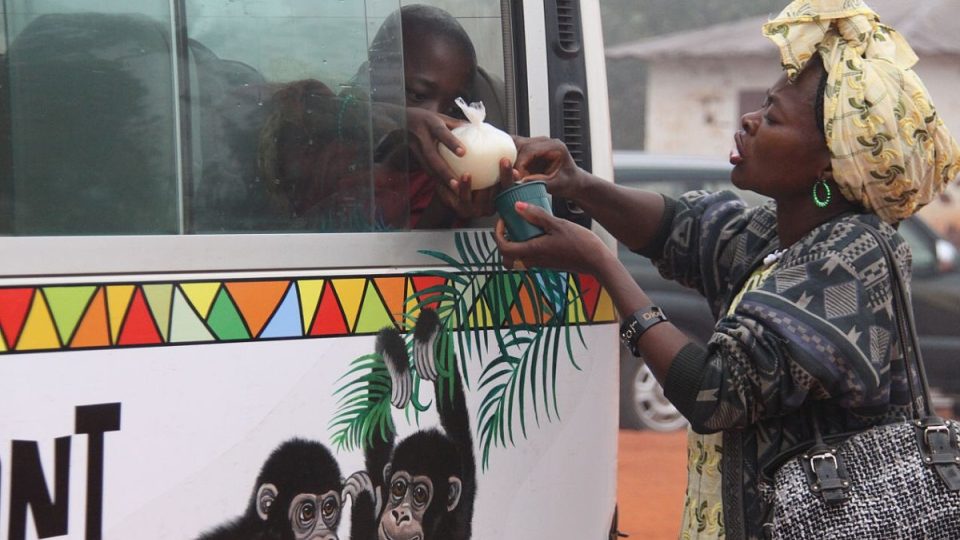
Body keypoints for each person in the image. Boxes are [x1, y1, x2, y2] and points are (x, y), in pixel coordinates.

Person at [494, 1, 960, 539]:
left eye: (774, 117)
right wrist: (579, 184)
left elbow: (715, 393)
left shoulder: (852, 257)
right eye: (762, 105)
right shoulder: (777, 238)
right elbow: (677, 228)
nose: (750, 119)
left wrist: (601, 262)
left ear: (828, 164)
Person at [257, 5, 510, 231]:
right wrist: (396, 120)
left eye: (455, 109)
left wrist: (446, 204)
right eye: (417, 95)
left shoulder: (436, 178)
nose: (435, 118)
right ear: (372, 75)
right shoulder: (327, 138)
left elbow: (412, 269)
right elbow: (281, 107)